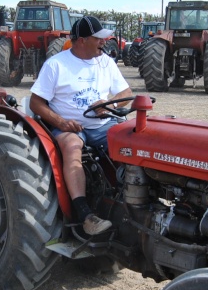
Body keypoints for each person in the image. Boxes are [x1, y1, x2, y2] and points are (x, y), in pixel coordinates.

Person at [30, 16, 133, 235]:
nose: (103, 42)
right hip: (70, 127)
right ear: (82, 40)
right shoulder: (56, 64)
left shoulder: (106, 62)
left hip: (104, 124)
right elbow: (35, 103)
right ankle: (85, 215)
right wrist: (62, 122)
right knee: (71, 147)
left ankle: (129, 203)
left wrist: (110, 104)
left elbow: (126, 93)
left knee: (133, 143)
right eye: (98, 38)